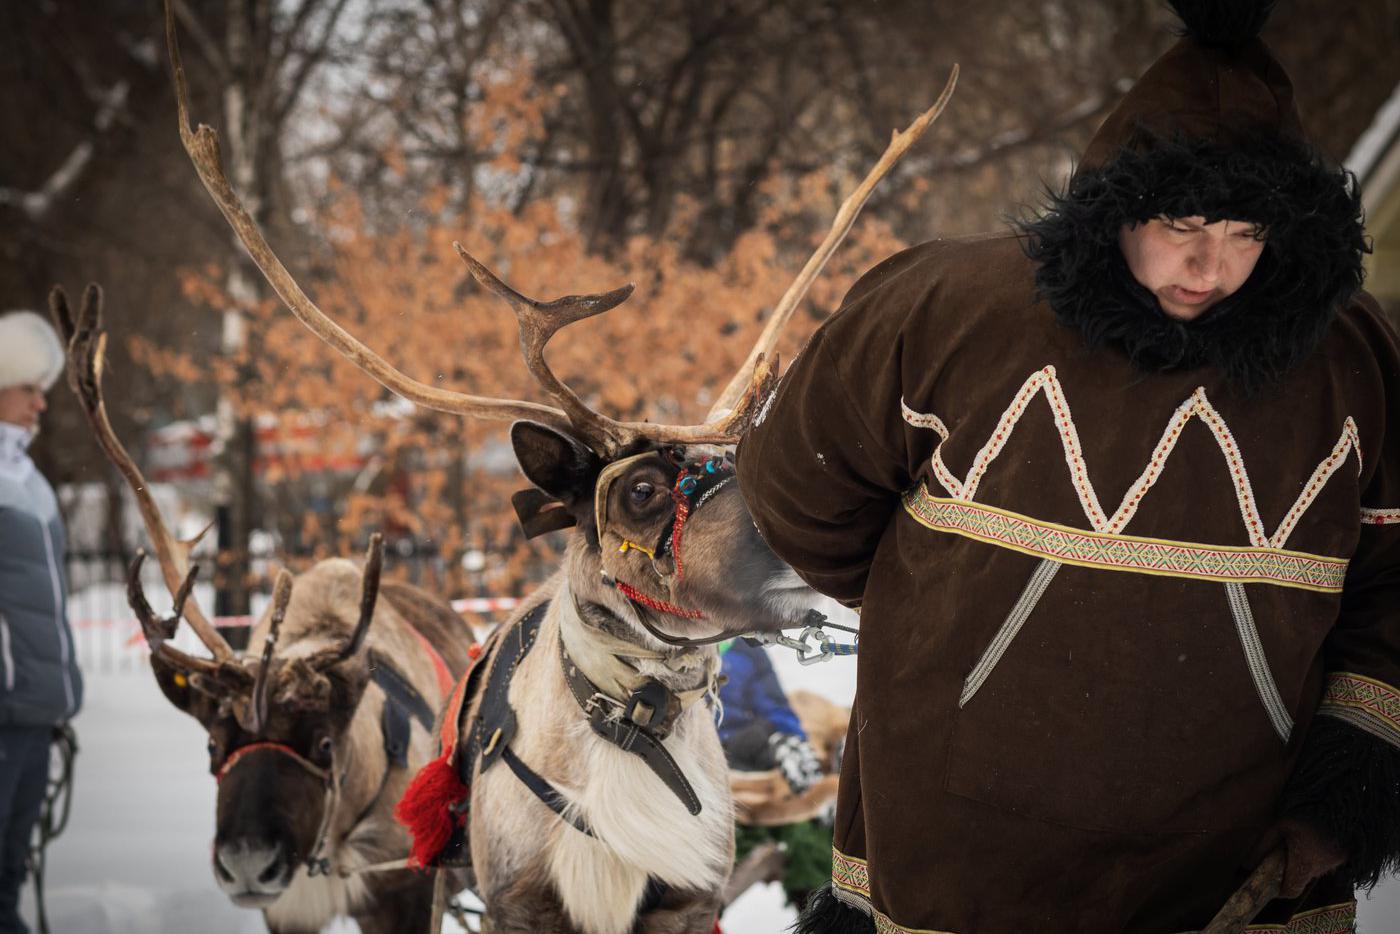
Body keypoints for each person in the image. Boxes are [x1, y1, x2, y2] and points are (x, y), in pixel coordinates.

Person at [736, 2, 1398, 932]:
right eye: (1182, 221)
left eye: (1247, 232)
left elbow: (1392, 587)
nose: (1209, 264)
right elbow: (797, 480)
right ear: (1117, 204)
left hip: (1225, 860)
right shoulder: (949, 308)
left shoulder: (1350, 360)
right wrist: (931, 613)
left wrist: (1346, 790)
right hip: (952, 848)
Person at [0, 310, 82, 934]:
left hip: (33, 713)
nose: (41, 403)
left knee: (10, 869)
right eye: (30, 388)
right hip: (5, 708)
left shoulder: (27, 480)